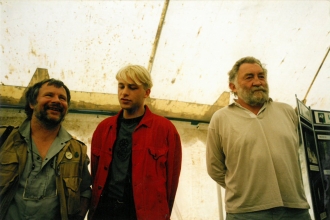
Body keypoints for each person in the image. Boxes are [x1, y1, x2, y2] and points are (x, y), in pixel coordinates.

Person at [206, 56, 311, 219]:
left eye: (261, 76)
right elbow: (215, 168)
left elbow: (296, 153)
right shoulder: (221, 118)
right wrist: (243, 189)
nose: (257, 82)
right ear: (232, 87)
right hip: (245, 213)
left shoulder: (287, 112)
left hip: (295, 209)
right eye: (249, 77)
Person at [88, 64, 182, 220]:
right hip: (106, 210)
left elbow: (171, 182)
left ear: (147, 92)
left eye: (132, 87)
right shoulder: (104, 128)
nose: (124, 92)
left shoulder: (165, 130)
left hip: (144, 213)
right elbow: (96, 172)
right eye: (121, 86)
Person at [0, 78, 92, 220]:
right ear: (32, 103)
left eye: (62, 98)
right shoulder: (4, 139)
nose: (57, 100)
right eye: (49, 95)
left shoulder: (77, 151)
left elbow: (85, 191)